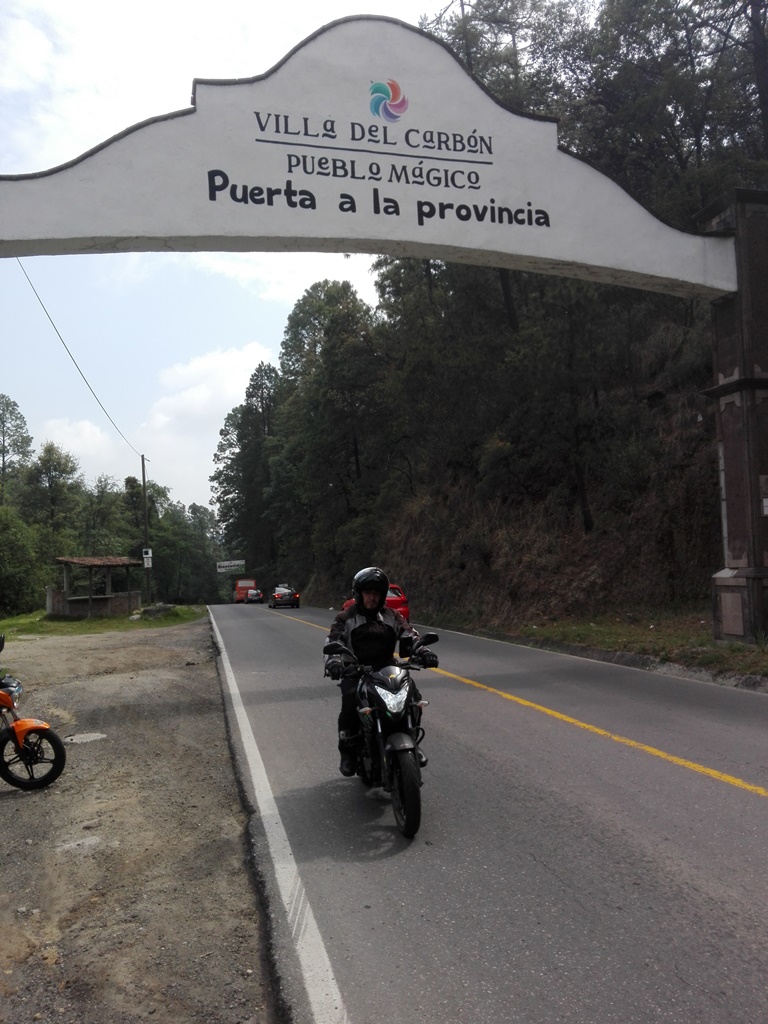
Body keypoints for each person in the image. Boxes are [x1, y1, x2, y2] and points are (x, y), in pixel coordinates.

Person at [324, 566, 438, 776]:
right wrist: (334, 662)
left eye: (376, 593)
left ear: (383, 595)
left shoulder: (392, 616)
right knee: (350, 701)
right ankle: (347, 751)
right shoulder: (345, 618)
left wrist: (424, 651)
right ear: (359, 594)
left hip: (387, 669)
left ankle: (412, 740)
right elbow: (334, 641)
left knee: (412, 696)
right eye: (368, 592)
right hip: (356, 671)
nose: (372, 597)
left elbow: (410, 635)